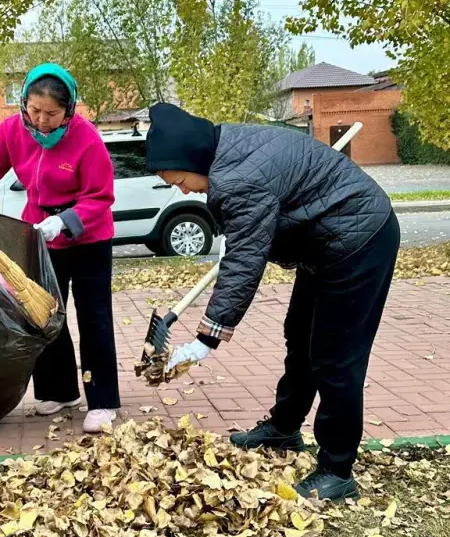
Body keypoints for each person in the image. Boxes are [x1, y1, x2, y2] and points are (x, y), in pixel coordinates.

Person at [145, 103, 400, 501]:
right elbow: (247, 239)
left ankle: (337, 470)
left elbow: (246, 261)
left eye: (179, 180)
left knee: (335, 357)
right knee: (298, 334)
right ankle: (284, 428)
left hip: (360, 240)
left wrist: (205, 340)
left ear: (192, 160)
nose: (183, 190)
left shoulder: (238, 178)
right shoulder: (227, 147)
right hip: (327, 241)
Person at [0, 63, 120, 433]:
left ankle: (103, 399)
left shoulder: (87, 138)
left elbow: (100, 196)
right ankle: (60, 391)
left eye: (52, 114)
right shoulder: (13, 131)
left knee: (93, 316)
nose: (42, 122)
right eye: (34, 111)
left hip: (88, 235)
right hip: (40, 231)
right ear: (24, 104)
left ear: (69, 110)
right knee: (42, 312)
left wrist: (66, 221)